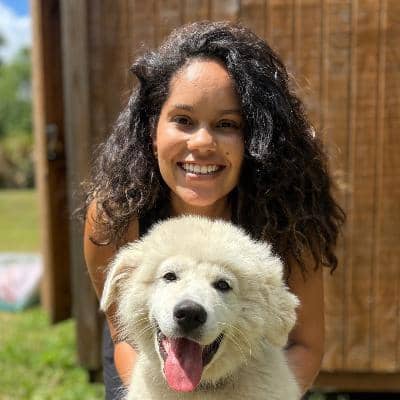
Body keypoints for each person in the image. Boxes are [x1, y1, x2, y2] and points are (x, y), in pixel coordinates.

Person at [83, 21, 345, 399]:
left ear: (254, 139)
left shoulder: (288, 216)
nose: (203, 142)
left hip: (251, 371)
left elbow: (304, 344)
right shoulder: (116, 212)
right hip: (146, 357)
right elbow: (123, 334)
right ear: (153, 130)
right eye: (183, 120)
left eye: (226, 124)